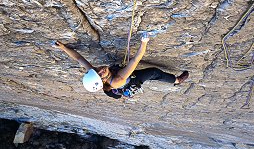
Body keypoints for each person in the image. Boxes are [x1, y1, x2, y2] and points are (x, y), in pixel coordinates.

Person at [53, 35, 189, 99]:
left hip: (111, 85)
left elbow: (79, 58)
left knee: (113, 74)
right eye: (101, 75)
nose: (100, 70)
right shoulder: (118, 80)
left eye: (96, 70)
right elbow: (135, 60)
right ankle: (176, 81)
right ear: (104, 80)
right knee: (153, 72)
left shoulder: (95, 73)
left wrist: (64, 47)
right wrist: (144, 42)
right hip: (129, 81)